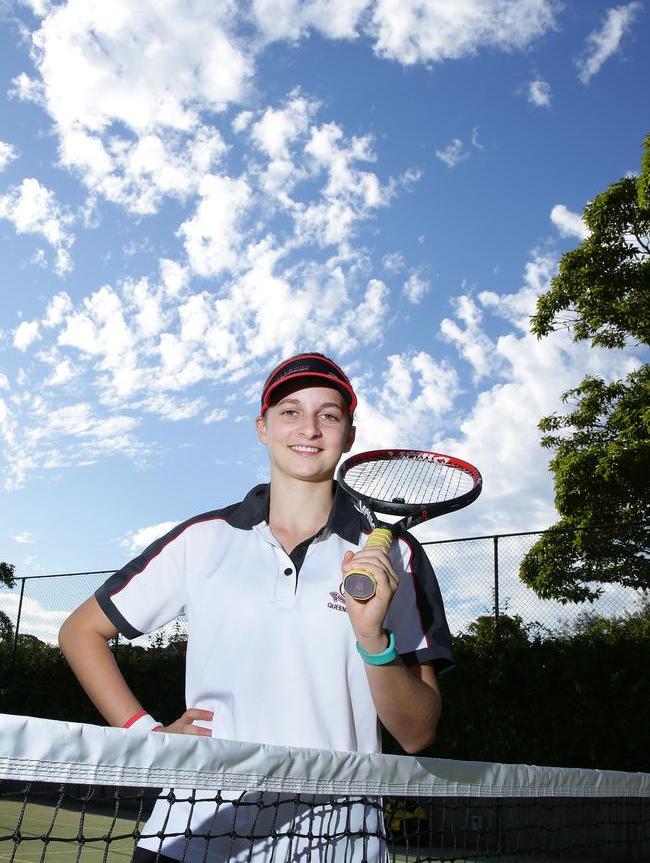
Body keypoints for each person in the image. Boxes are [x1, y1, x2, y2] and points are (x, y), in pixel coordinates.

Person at [59, 352, 454, 863]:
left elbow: (417, 732)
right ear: (262, 428)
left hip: (335, 843)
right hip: (191, 834)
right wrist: (147, 736)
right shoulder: (203, 539)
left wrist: (373, 640)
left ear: (348, 435)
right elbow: (80, 632)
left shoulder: (395, 557)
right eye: (290, 412)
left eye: (328, 415)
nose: (309, 428)